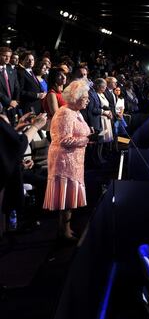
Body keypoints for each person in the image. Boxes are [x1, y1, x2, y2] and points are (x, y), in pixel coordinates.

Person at [43, 81, 96, 241]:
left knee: (69, 198)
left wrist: (89, 135)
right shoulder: (65, 113)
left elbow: (79, 133)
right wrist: (86, 140)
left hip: (74, 160)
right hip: (64, 161)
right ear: (76, 97)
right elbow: (64, 140)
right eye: (85, 97)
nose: (88, 100)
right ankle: (64, 231)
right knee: (65, 199)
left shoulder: (76, 112)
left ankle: (65, 229)